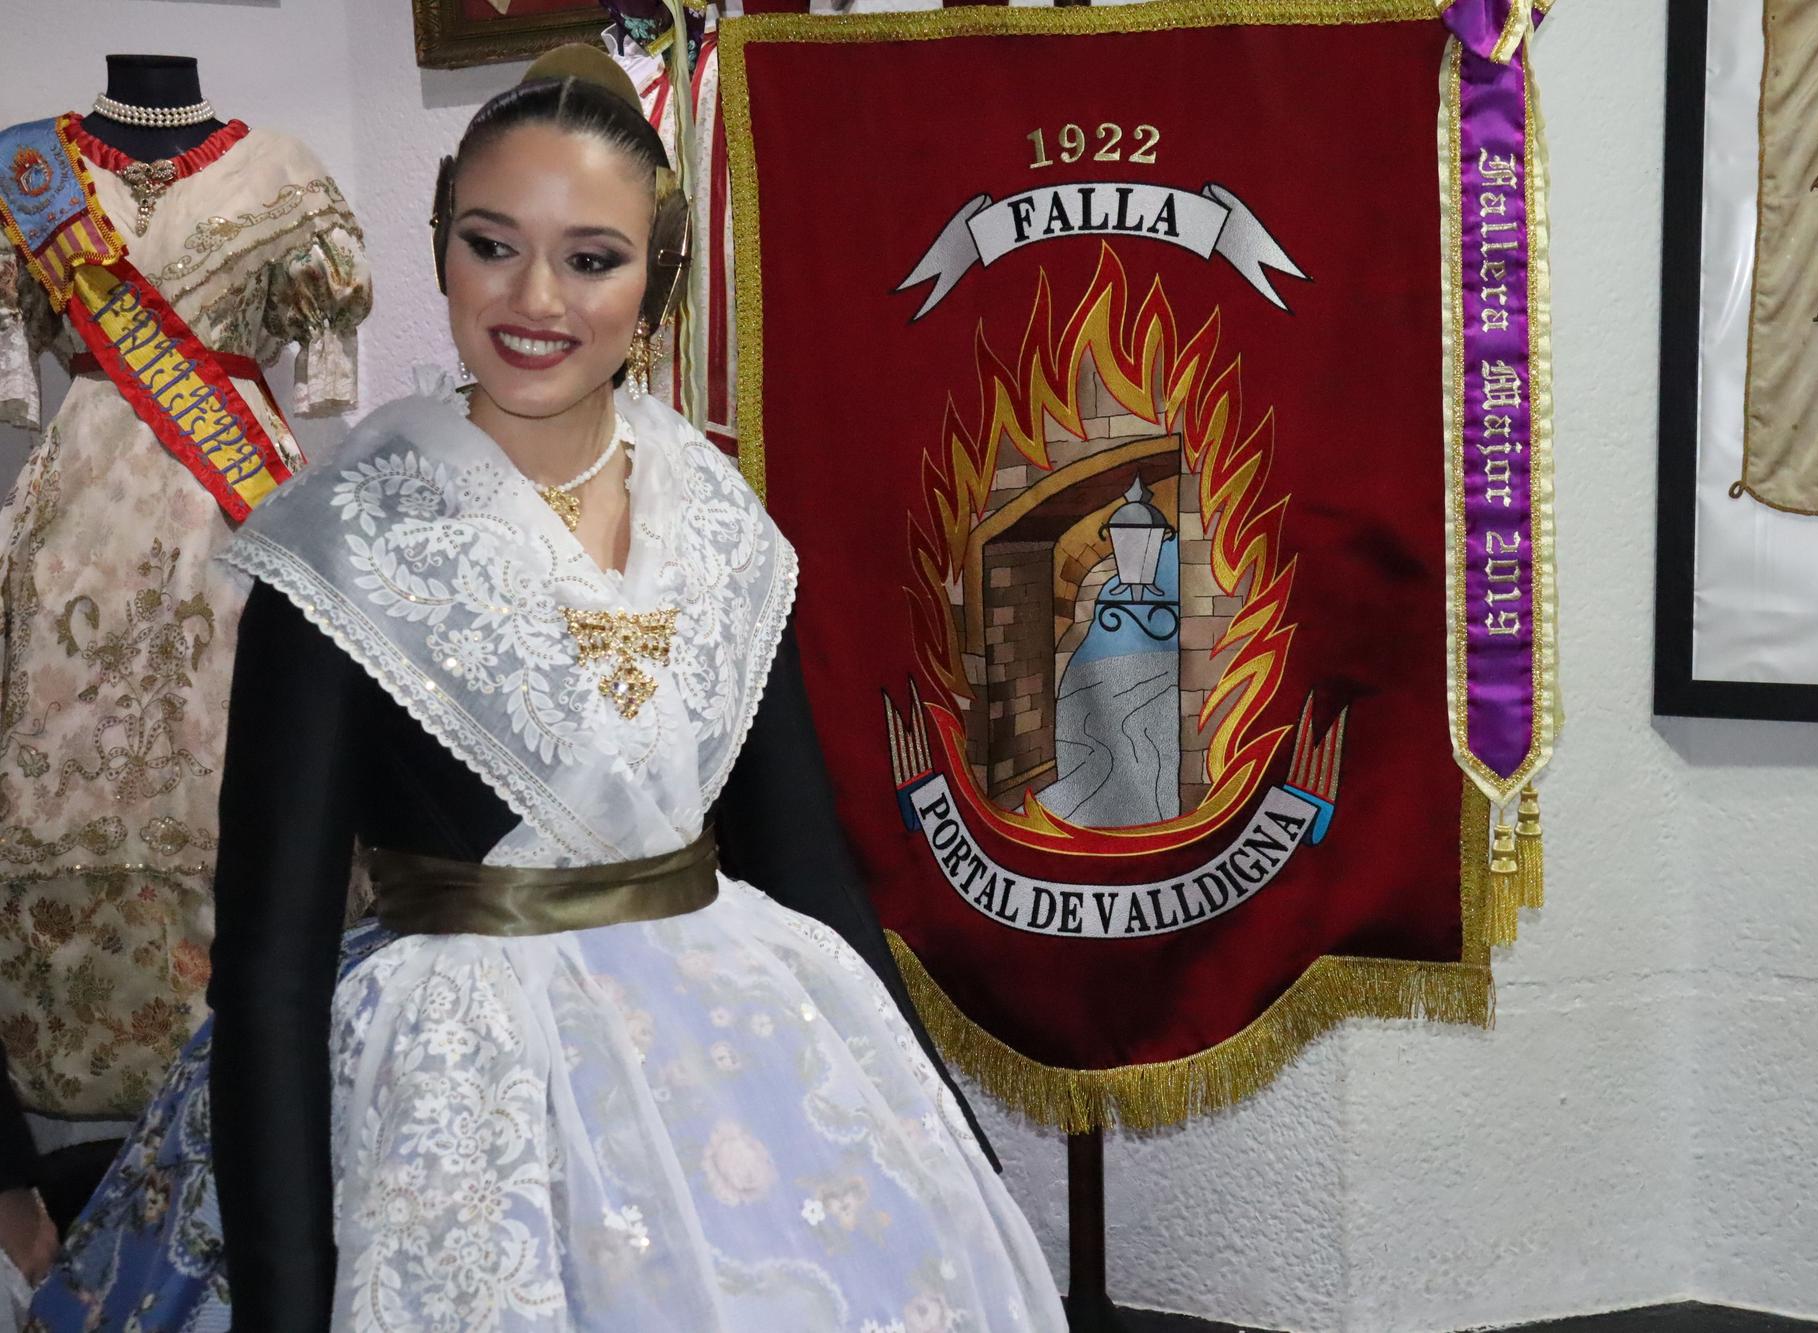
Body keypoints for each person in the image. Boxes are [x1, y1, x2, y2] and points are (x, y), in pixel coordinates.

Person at [28, 45, 1062, 1333]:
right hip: (459, 1098)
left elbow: (811, 871)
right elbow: (272, 971)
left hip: (737, 1062)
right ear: (441, 247)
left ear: (657, 285)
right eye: (489, 243)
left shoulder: (720, 520)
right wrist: (286, 1308)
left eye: (591, 258)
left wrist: (952, 1148)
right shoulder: (339, 539)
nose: (534, 298)